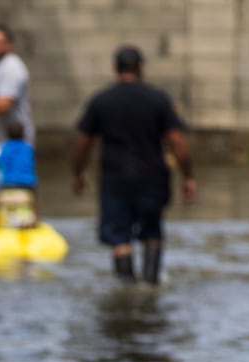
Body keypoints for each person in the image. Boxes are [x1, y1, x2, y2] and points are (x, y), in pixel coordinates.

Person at [71, 44, 197, 285]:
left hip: (114, 179)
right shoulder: (159, 99)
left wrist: (78, 173)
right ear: (141, 68)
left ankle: (127, 290)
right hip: (152, 177)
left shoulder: (101, 100)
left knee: (119, 238)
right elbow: (177, 141)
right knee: (152, 232)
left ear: (115, 69)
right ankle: (150, 285)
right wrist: (189, 176)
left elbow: (82, 143)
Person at [0, 119, 38, 228]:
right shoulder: (28, 148)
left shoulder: (6, 147)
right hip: (29, 184)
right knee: (35, 198)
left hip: (9, 183)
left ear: (7, 133)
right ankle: (35, 220)